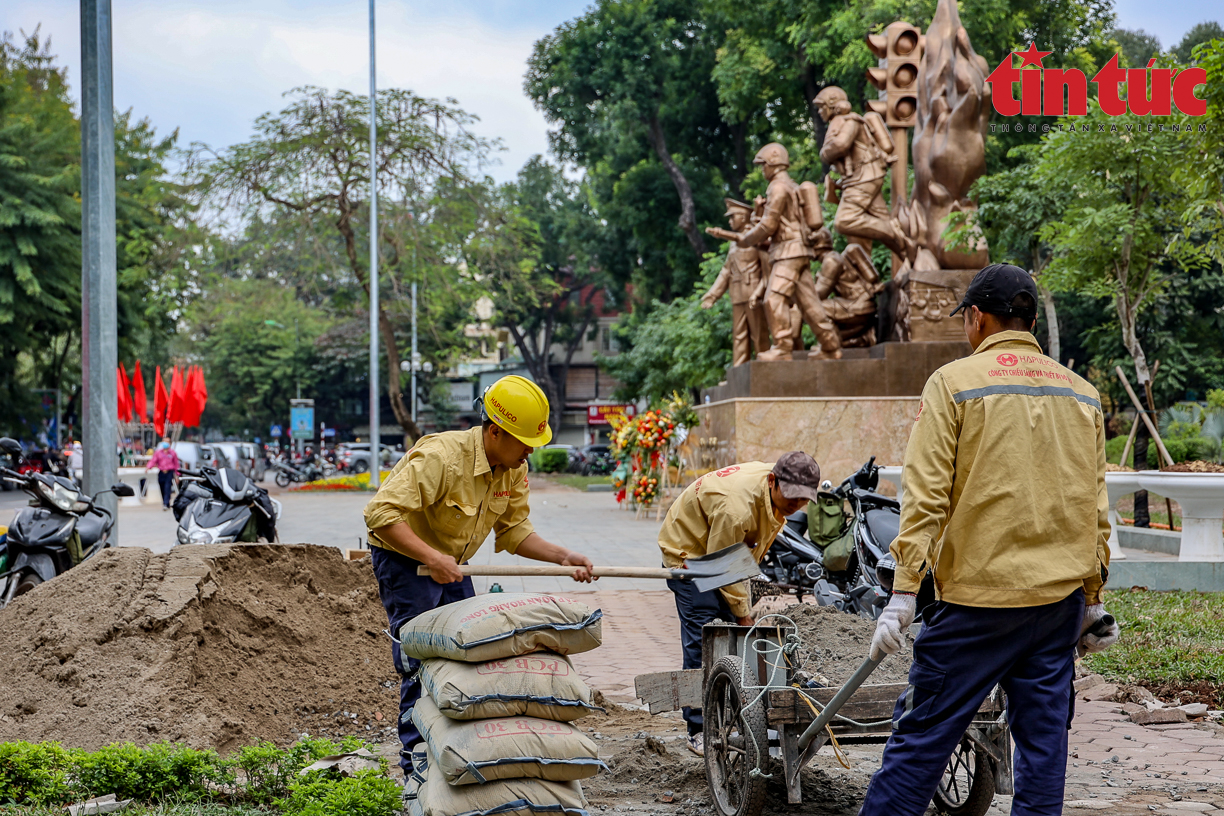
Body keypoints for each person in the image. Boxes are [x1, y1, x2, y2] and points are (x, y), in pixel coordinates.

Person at [860, 264, 1120, 816]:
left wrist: (903, 592)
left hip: (976, 606)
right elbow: (1095, 507)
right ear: (1028, 320)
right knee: (1044, 754)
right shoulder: (1083, 394)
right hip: (1056, 607)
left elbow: (925, 498)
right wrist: (1093, 602)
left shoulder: (953, 384)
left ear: (976, 318)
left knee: (922, 743)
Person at [363, 375, 599, 779]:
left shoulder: (511, 468)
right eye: (525, 442)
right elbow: (379, 515)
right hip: (407, 560)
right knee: (419, 662)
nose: (529, 452)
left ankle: (454, 749)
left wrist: (564, 557)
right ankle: (415, 765)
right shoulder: (443, 456)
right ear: (494, 432)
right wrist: (433, 558)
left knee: (462, 659)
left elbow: (514, 532)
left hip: (452, 562)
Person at [657, 451, 823, 756]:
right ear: (772, 481)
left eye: (802, 500)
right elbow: (724, 565)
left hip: (722, 548)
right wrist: (744, 613)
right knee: (704, 639)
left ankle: (736, 712)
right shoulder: (736, 508)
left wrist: (744, 592)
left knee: (733, 637)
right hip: (690, 555)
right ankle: (699, 729)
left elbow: (741, 556)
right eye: (791, 498)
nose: (796, 505)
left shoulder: (772, 493)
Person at [733, 143, 842, 361]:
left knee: (772, 300)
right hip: (798, 250)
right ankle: (830, 345)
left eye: (763, 165)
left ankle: (782, 347)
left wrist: (745, 239)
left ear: (773, 162)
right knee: (809, 302)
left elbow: (768, 225)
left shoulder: (778, 187)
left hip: (788, 252)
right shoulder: (789, 185)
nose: (762, 169)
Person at [815, 86, 914, 262]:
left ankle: (892, 229)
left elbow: (840, 145)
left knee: (844, 220)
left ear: (832, 105)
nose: (820, 111)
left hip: (863, 177)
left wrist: (824, 153)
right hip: (863, 177)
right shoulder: (840, 122)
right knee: (880, 221)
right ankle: (913, 258)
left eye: (822, 107)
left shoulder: (850, 121)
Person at [701, 198, 772, 367]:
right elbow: (726, 271)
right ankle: (739, 370)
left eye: (732, 217)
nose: (730, 221)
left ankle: (766, 367)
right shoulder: (733, 246)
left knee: (758, 334)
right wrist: (712, 295)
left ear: (743, 217)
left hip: (754, 292)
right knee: (739, 335)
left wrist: (759, 292)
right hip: (737, 293)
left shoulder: (757, 238)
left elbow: (767, 272)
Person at [145, 438, 180, 511]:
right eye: (164, 442)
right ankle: (164, 501)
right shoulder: (158, 453)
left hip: (169, 472)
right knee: (162, 487)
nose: (165, 443)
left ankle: (166, 503)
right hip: (161, 472)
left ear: (170, 443)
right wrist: (148, 467)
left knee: (167, 487)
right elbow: (153, 460)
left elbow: (176, 464)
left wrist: (177, 475)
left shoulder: (173, 453)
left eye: (167, 442)